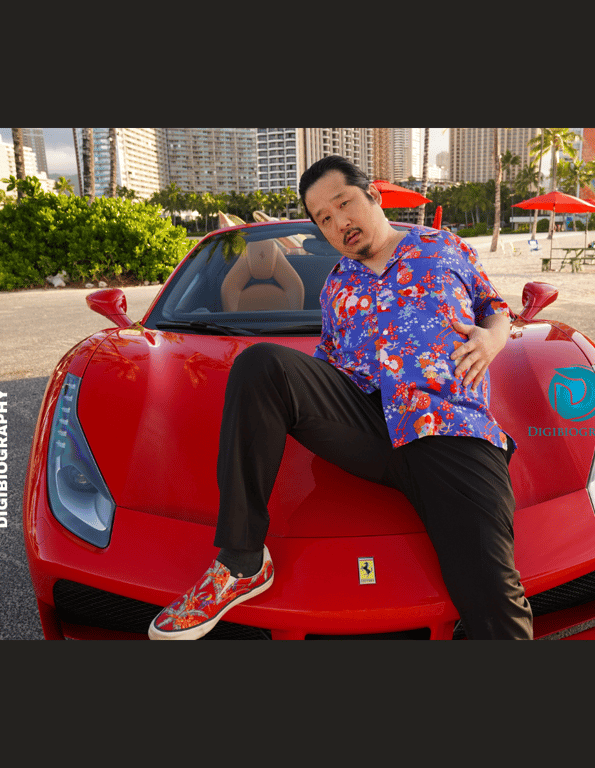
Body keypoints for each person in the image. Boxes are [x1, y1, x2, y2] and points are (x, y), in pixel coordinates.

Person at [148, 155, 533, 641]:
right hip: (370, 427)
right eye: (324, 219)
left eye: (344, 204)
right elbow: (328, 368)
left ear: (372, 194)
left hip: (450, 427)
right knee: (261, 363)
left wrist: (494, 339)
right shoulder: (336, 288)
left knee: (496, 603)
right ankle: (241, 561)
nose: (339, 223)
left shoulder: (443, 246)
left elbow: (494, 307)